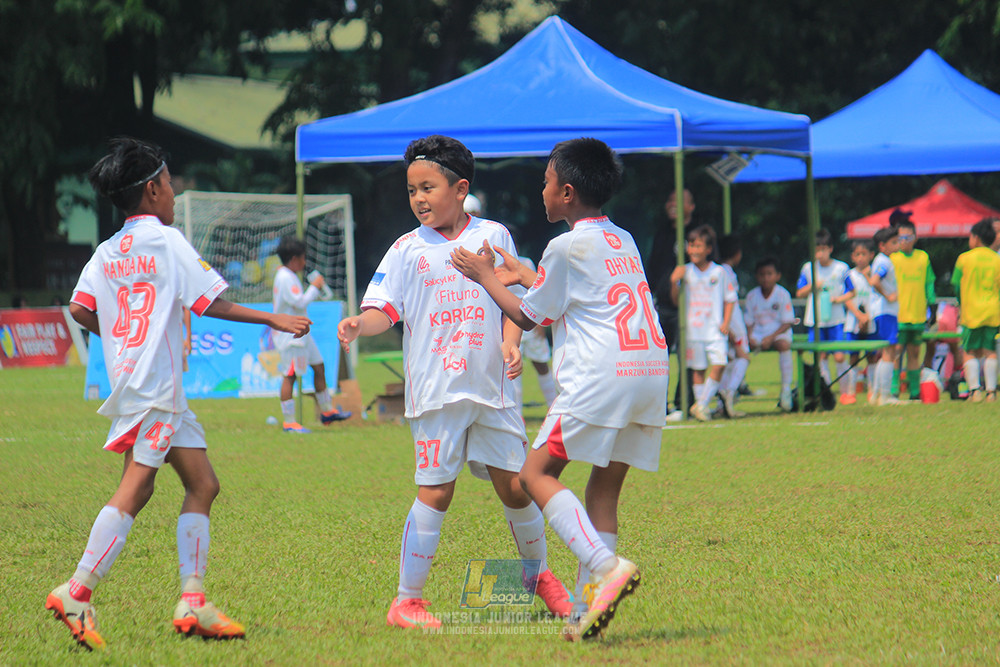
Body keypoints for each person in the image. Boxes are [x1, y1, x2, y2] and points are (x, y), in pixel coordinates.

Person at [46, 137, 312, 651]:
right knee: (136, 489)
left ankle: (193, 601)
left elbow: (79, 311)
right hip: (158, 388)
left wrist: (124, 337)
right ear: (152, 189)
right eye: (170, 183)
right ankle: (77, 591)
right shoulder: (167, 241)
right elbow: (211, 301)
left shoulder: (106, 251)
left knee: (204, 484)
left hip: (138, 383)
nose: (173, 192)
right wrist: (273, 316)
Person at [337, 135, 571, 630]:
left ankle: (539, 577)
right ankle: (407, 602)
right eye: (411, 190)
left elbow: (513, 301)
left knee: (515, 487)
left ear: (460, 188)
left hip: (494, 390)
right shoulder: (405, 250)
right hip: (437, 392)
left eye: (428, 187)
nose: (419, 198)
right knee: (436, 491)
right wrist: (362, 323)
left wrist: (511, 341)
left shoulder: (493, 236)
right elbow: (384, 309)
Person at [450, 137, 667, 642]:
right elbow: (579, 290)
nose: (541, 189)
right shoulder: (622, 238)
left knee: (534, 474)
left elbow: (527, 317)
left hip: (602, 375)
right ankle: (587, 608)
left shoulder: (564, 245)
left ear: (566, 192)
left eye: (546, 181)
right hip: (650, 372)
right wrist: (525, 273)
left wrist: (486, 275)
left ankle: (604, 565)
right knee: (604, 486)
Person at [464, 195, 557, 409]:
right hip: (504, 323)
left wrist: (541, 323)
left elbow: (539, 294)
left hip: (528, 322)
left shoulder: (521, 262)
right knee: (511, 365)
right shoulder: (474, 260)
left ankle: (553, 407)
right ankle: (516, 412)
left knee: (540, 364)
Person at [272, 235, 350, 433]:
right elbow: (299, 302)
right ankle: (289, 422)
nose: (304, 262)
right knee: (290, 376)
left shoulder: (289, 276)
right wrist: (315, 288)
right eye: (302, 257)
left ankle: (327, 411)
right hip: (291, 336)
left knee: (319, 366)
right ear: (294, 258)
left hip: (302, 333)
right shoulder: (285, 278)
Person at [670, 225, 735, 422]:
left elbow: (730, 299)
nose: (694, 250)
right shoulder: (685, 271)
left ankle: (702, 403)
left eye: (699, 246)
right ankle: (701, 408)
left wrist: (725, 322)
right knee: (698, 369)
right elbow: (676, 301)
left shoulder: (719, 272)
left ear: (708, 249)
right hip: (693, 330)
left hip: (714, 329)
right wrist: (674, 282)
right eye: (691, 245)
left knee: (720, 363)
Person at [647, 188, 696, 420]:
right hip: (663, 305)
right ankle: (661, 404)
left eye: (678, 200)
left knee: (688, 354)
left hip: (691, 306)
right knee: (659, 355)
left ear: (691, 206)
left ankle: (684, 402)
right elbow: (653, 268)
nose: (671, 204)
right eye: (669, 199)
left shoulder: (696, 234)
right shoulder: (662, 233)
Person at [795, 228, 854, 396]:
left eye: (823, 249)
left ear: (830, 249)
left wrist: (838, 300)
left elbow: (852, 291)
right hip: (815, 319)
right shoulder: (808, 269)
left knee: (839, 356)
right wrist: (814, 286)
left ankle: (846, 392)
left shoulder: (841, 268)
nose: (820, 254)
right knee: (820, 357)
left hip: (836, 319)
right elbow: (800, 292)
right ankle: (825, 392)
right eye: (817, 250)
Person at [951, 218, 1000, 402]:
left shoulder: (964, 258)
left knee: (969, 351)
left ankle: (974, 391)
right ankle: (991, 392)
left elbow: (955, 284)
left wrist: (961, 301)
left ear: (976, 238)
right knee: (989, 350)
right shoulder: (996, 259)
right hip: (993, 311)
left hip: (971, 311)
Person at [890, 215, 936, 401]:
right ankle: (894, 389)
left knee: (914, 353)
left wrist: (932, 308)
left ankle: (914, 391)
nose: (904, 242)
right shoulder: (893, 259)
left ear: (915, 238)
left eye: (907, 238)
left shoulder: (922, 258)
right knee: (896, 353)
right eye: (900, 238)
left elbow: (929, 284)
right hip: (898, 315)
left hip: (917, 315)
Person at [745, 257, 796, 411]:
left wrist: (771, 338)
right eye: (762, 274)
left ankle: (786, 391)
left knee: (783, 345)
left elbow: (787, 322)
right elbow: (748, 321)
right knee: (735, 348)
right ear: (756, 276)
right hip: (758, 333)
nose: (766, 278)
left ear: (777, 275)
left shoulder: (782, 294)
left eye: (769, 274)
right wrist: (749, 337)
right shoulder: (752, 296)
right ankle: (732, 389)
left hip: (778, 333)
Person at [869, 226, 903, 405]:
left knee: (885, 353)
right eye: (894, 242)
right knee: (890, 352)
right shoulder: (884, 262)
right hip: (885, 311)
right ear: (882, 245)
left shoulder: (881, 260)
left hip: (881, 311)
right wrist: (888, 295)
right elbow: (874, 281)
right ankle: (885, 395)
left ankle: (876, 394)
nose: (897, 245)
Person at [716, 234, 749, 418]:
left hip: (725, 324)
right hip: (732, 324)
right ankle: (728, 393)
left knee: (729, 361)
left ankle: (722, 403)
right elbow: (727, 301)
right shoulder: (726, 273)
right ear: (737, 253)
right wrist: (732, 330)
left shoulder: (719, 270)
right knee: (743, 357)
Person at [840, 240, 875, 405]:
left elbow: (877, 296)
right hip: (853, 322)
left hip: (871, 321)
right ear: (853, 257)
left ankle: (873, 391)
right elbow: (847, 298)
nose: (861, 258)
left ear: (871, 255)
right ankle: (850, 392)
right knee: (853, 357)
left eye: (864, 254)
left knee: (872, 357)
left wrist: (867, 316)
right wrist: (859, 316)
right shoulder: (849, 275)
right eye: (857, 254)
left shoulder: (874, 274)